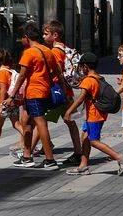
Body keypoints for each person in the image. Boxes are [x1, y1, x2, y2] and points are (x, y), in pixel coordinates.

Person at [3, 23, 63, 170]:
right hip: (45, 91)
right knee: (26, 122)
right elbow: (57, 71)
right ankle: (27, 156)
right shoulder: (47, 51)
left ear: (26, 37)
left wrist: (12, 95)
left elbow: (22, 75)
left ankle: (50, 159)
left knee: (41, 123)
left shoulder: (29, 53)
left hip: (34, 93)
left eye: (21, 38)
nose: (21, 41)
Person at [62, 52, 123, 176]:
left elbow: (80, 99)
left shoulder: (88, 81)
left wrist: (68, 112)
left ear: (85, 67)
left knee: (93, 140)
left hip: (94, 116)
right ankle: (83, 166)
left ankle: (119, 157)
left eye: (81, 67)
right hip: (97, 114)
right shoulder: (99, 77)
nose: (80, 70)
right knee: (85, 138)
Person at [40, 20, 83, 166]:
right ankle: (78, 152)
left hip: (58, 93)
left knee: (40, 121)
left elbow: (57, 71)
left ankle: (26, 154)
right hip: (65, 92)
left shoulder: (55, 51)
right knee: (69, 121)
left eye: (46, 34)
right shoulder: (65, 48)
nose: (43, 37)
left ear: (55, 35)